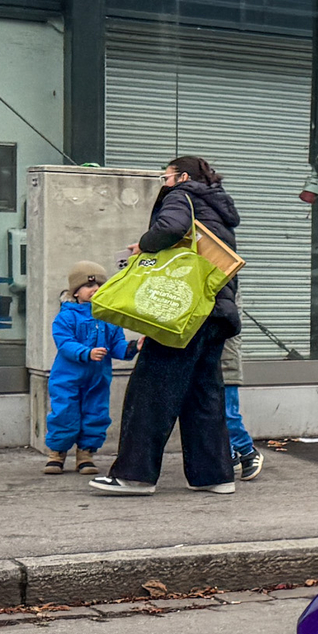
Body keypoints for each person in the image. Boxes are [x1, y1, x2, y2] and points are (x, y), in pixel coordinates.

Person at [90, 156, 242, 497]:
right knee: (203, 394)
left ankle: (134, 476)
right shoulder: (217, 208)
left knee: (151, 389)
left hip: (184, 312)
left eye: (166, 175)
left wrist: (145, 244)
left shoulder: (181, 195)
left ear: (183, 176)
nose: (164, 181)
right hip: (216, 311)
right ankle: (215, 476)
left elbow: (171, 228)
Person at [44, 261, 134, 474]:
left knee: (96, 413)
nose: (95, 290)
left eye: (99, 286)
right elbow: (65, 343)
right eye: (88, 286)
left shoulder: (109, 317)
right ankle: (57, 452)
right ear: (76, 292)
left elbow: (117, 345)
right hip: (67, 378)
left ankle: (86, 454)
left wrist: (133, 347)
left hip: (98, 378)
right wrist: (87, 353)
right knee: (64, 412)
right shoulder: (66, 316)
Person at [223, 333, 263, 481]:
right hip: (208, 361)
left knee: (227, 414)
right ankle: (229, 454)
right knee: (209, 414)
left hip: (225, 364)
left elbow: (229, 318)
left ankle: (247, 451)